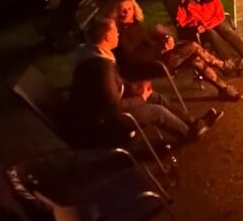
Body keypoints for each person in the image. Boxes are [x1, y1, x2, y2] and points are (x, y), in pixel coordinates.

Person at [68, 18, 222, 148]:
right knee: (156, 111)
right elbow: (114, 106)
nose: (118, 34)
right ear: (107, 37)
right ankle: (188, 133)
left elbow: (113, 87)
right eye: (115, 32)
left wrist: (134, 87)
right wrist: (140, 98)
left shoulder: (97, 54)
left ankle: (194, 122)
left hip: (109, 109)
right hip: (105, 123)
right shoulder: (101, 67)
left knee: (155, 96)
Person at [101, 0, 243, 102]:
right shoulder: (117, 32)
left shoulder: (135, 24)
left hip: (156, 57)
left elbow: (149, 39)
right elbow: (134, 57)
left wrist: (165, 39)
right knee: (193, 46)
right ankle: (223, 66)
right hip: (144, 67)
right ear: (115, 12)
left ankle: (223, 88)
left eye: (130, 8)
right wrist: (161, 48)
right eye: (122, 10)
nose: (127, 13)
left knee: (195, 59)